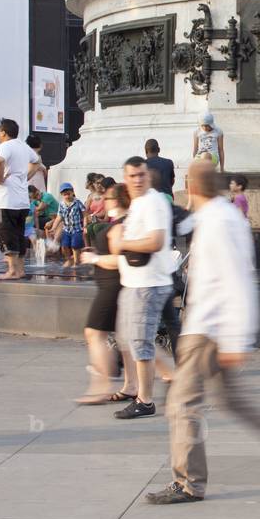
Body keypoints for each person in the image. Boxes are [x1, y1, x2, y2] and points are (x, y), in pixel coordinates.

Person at [146, 161, 260, 505]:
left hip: (207, 328)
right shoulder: (216, 217)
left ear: (192, 188)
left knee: (182, 405)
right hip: (209, 326)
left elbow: (239, 281)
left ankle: (189, 483)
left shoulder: (220, 223)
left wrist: (237, 339)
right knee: (233, 402)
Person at [111, 156, 176, 419]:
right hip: (134, 282)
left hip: (148, 284)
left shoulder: (153, 202)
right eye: (132, 176)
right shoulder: (138, 203)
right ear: (125, 179)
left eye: (141, 175)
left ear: (148, 176)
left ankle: (145, 401)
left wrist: (123, 243)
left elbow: (156, 241)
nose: (137, 179)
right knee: (129, 338)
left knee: (140, 341)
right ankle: (167, 377)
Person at [77, 182, 130, 404]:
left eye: (106, 198)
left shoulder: (118, 226)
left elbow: (122, 260)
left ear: (115, 201)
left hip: (111, 287)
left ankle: (101, 387)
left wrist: (94, 258)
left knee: (94, 333)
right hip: (112, 285)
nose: (101, 202)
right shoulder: (119, 223)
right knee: (127, 339)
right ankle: (168, 373)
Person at [0, 118, 39, 280]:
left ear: (3, 132)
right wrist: (25, 176)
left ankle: (12, 270)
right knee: (18, 234)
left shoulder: (5, 146)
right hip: (21, 200)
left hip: (5, 200)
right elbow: (38, 162)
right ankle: (21, 270)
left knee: (6, 233)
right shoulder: (23, 147)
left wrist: (0, 178)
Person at [50, 183, 86, 268]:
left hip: (76, 229)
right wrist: (53, 227)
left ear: (73, 192)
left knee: (75, 246)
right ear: (62, 195)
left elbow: (85, 214)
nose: (67, 196)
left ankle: (76, 262)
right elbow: (59, 217)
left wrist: (85, 226)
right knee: (64, 246)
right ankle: (69, 260)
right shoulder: (62, 204)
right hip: (66, 229)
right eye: (65, 195)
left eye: (69, 194)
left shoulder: (77, 202)